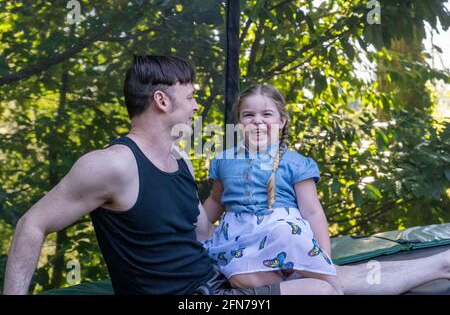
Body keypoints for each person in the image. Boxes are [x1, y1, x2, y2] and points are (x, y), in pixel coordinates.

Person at [3, 55, 450, 295]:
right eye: (191, 97)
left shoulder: (177, 162)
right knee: (318, 294)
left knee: (330, 280)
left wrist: (265, 240)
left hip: (213, 282)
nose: (197, 106)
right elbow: (33, 223)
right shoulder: (112, 163)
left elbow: (201, 229)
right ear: (162, 101)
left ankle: (441, 261)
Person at [202, 84, 342, 293]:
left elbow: (313, 211)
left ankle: (332, 285)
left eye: (267, 114)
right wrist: (197, 229)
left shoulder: (295, 163)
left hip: (283, 236)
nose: (257, 121)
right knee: (238, 276)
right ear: (239, 123)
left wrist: (323, 256)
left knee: (285, 232)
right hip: (242, 239)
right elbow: (215, 200)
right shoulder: (224, 160)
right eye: (248, 115)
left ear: (282, 121)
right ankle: (300, 287)